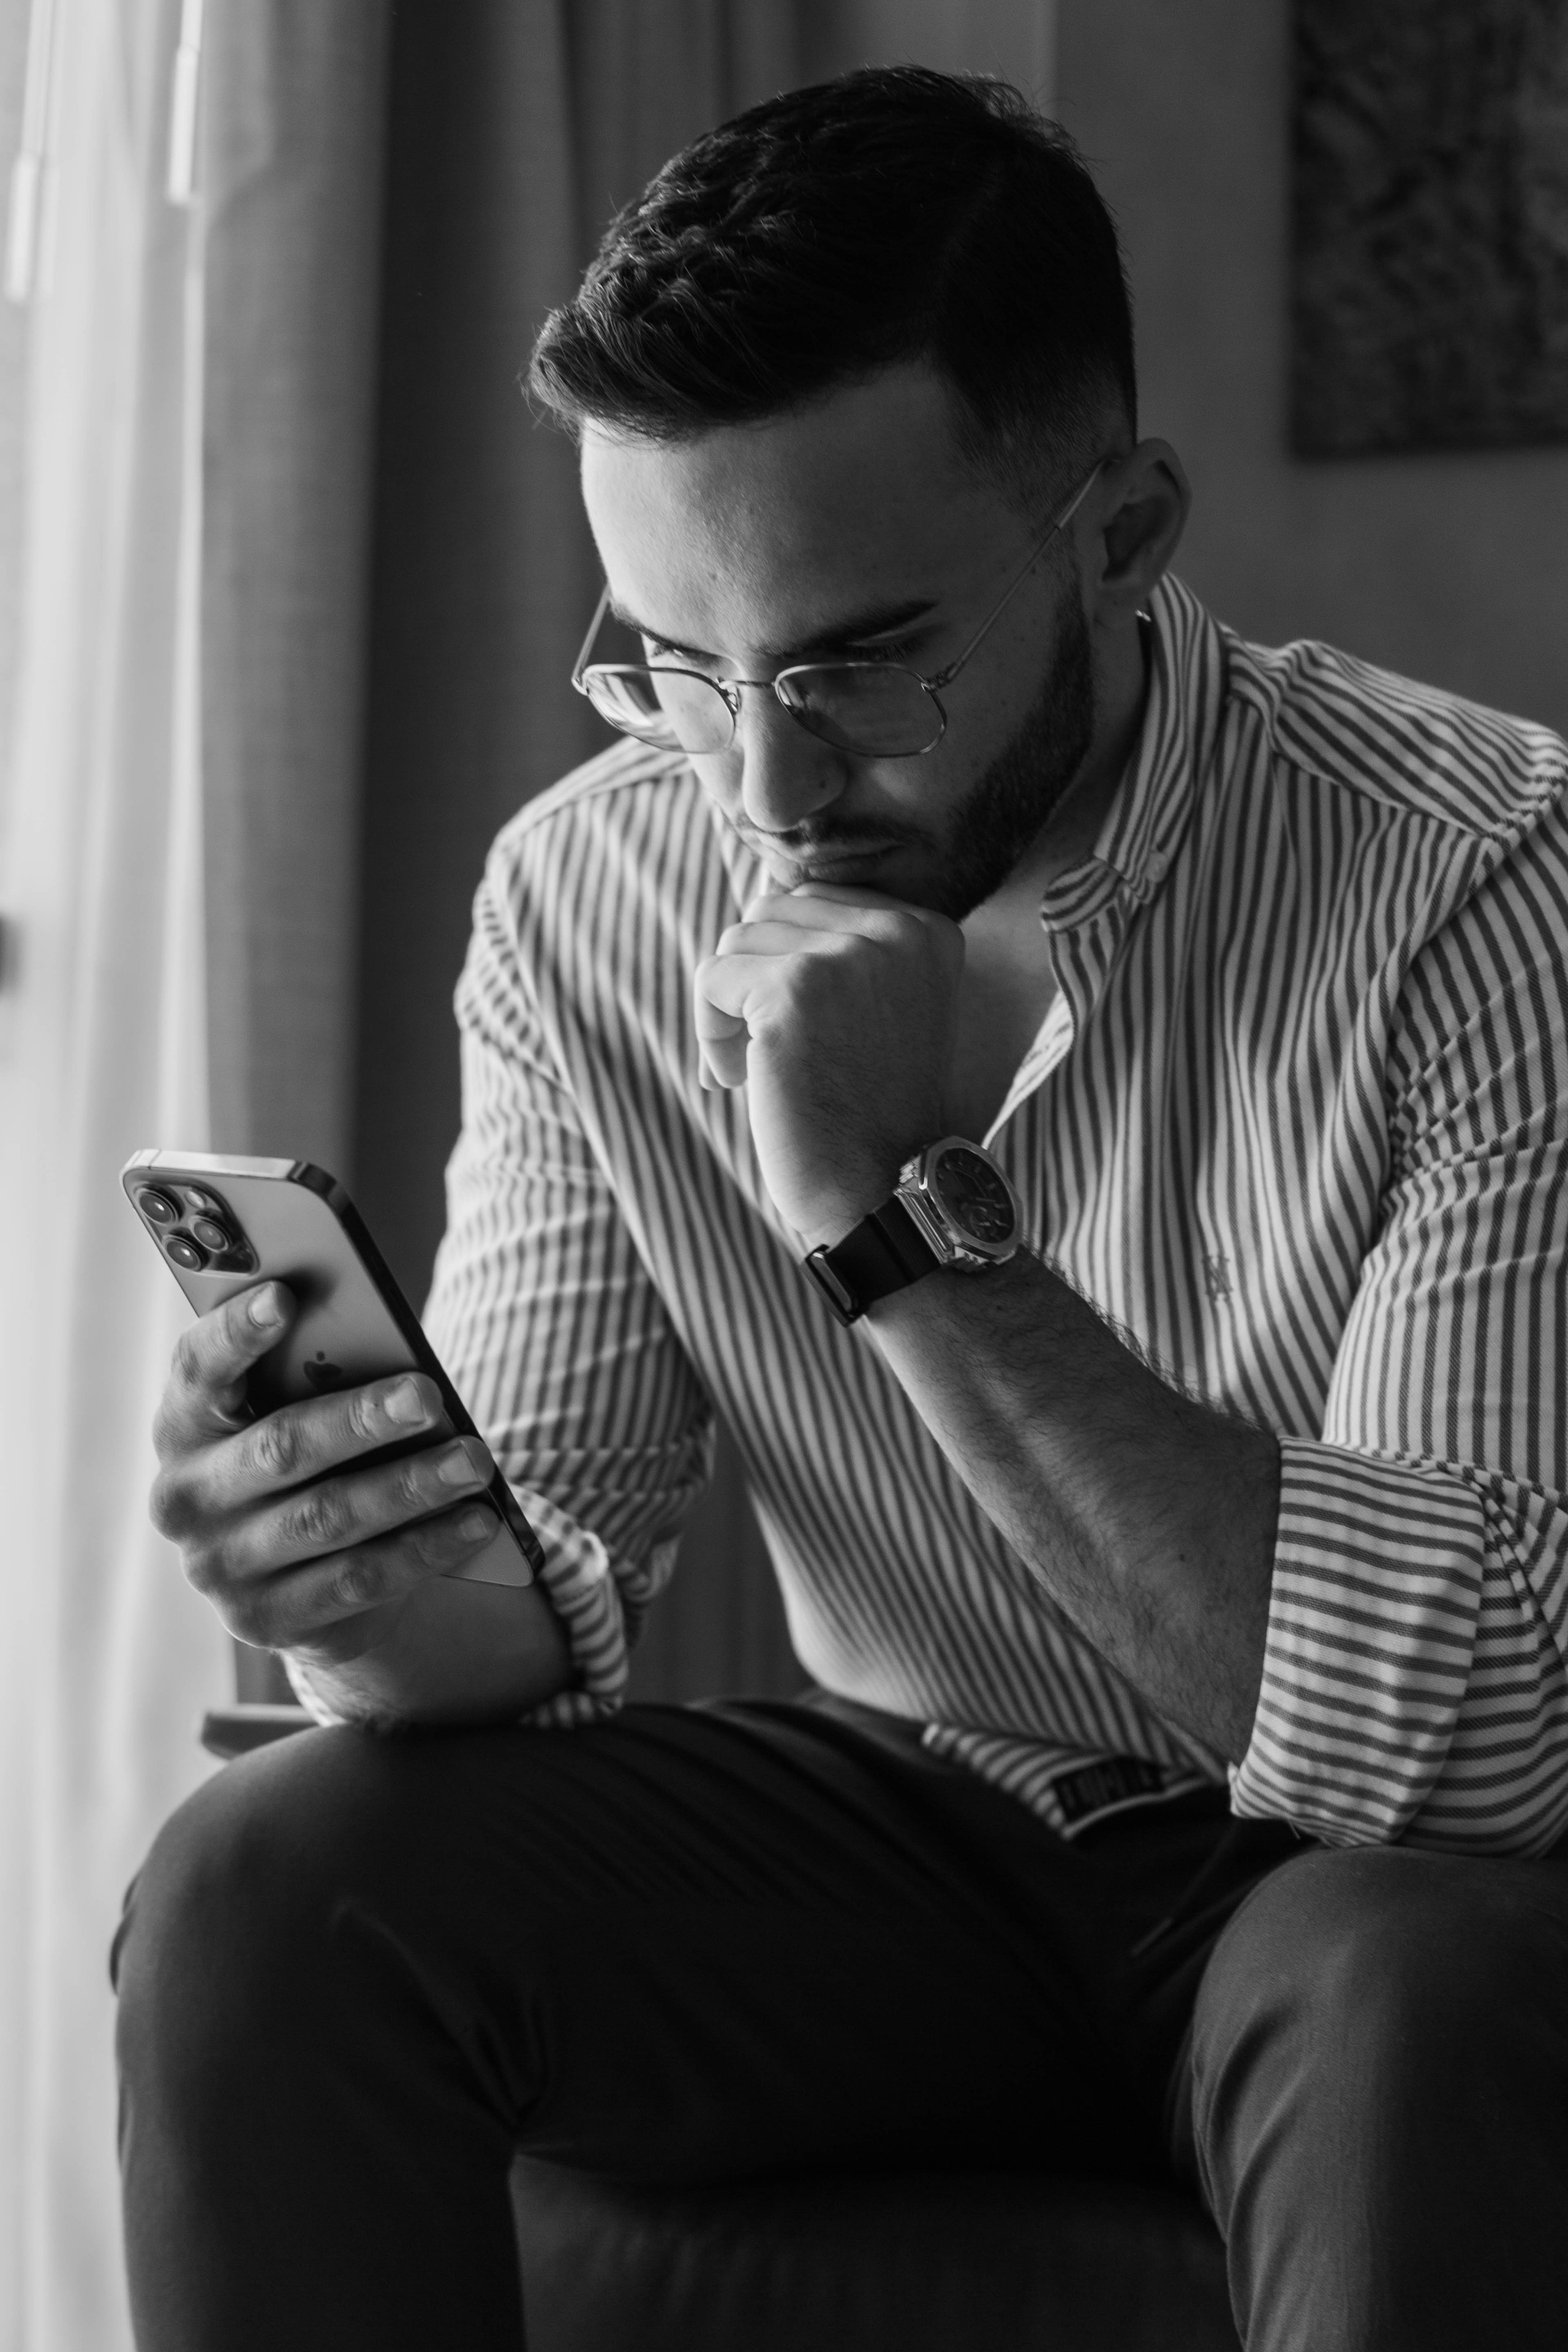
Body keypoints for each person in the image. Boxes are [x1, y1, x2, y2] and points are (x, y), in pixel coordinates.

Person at [113, 65, 1568, 2352]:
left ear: (1123, 533)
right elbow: (545, 1576)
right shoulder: (589, 893)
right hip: (925, 1834)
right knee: (268, 1876)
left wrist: (893, 1221)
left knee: (1416, 1976)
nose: (763, 789)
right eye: (675, 668)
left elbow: (1464, 1754)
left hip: (1354, 1885)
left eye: (858, 665)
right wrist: (363, 1576)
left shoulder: (1485, 883)